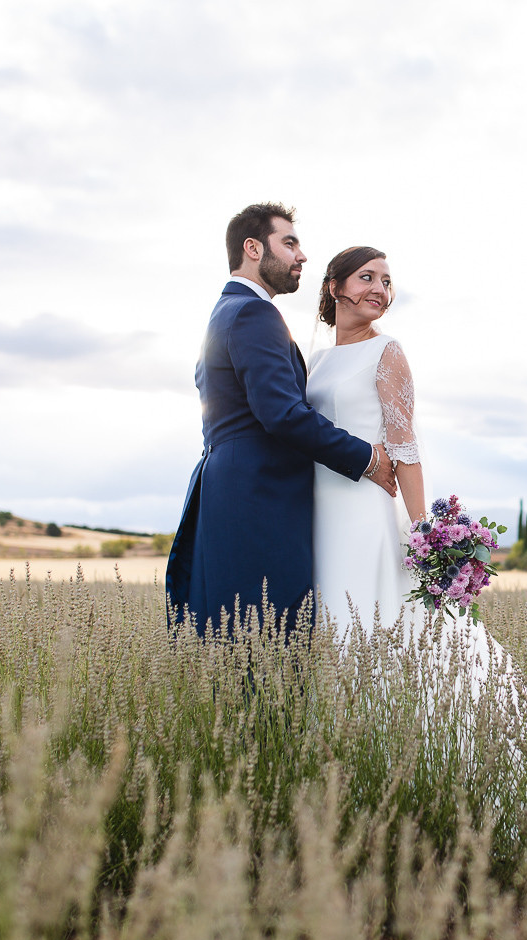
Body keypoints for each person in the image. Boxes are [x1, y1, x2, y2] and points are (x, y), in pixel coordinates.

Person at [306, 246, 527, 802]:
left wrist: (422, 530)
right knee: (332, 625)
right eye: (367, 277)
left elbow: (405, 447)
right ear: (334, 287)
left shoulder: (388, 352)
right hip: (319, 511)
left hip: (367, 512)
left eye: (387, 280)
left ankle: (421, 762)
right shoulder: (316, 361)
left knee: (377, 625)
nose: (380, 288)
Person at [166, 204, 398, 637]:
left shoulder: (226, 311)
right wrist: (366, 457)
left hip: (232, 487)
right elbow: (283, 414)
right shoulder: (254, 313)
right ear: (253, 249)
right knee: (265, 639)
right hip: (259, 497)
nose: (301, 256)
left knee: (239, 632)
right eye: (289, 243)